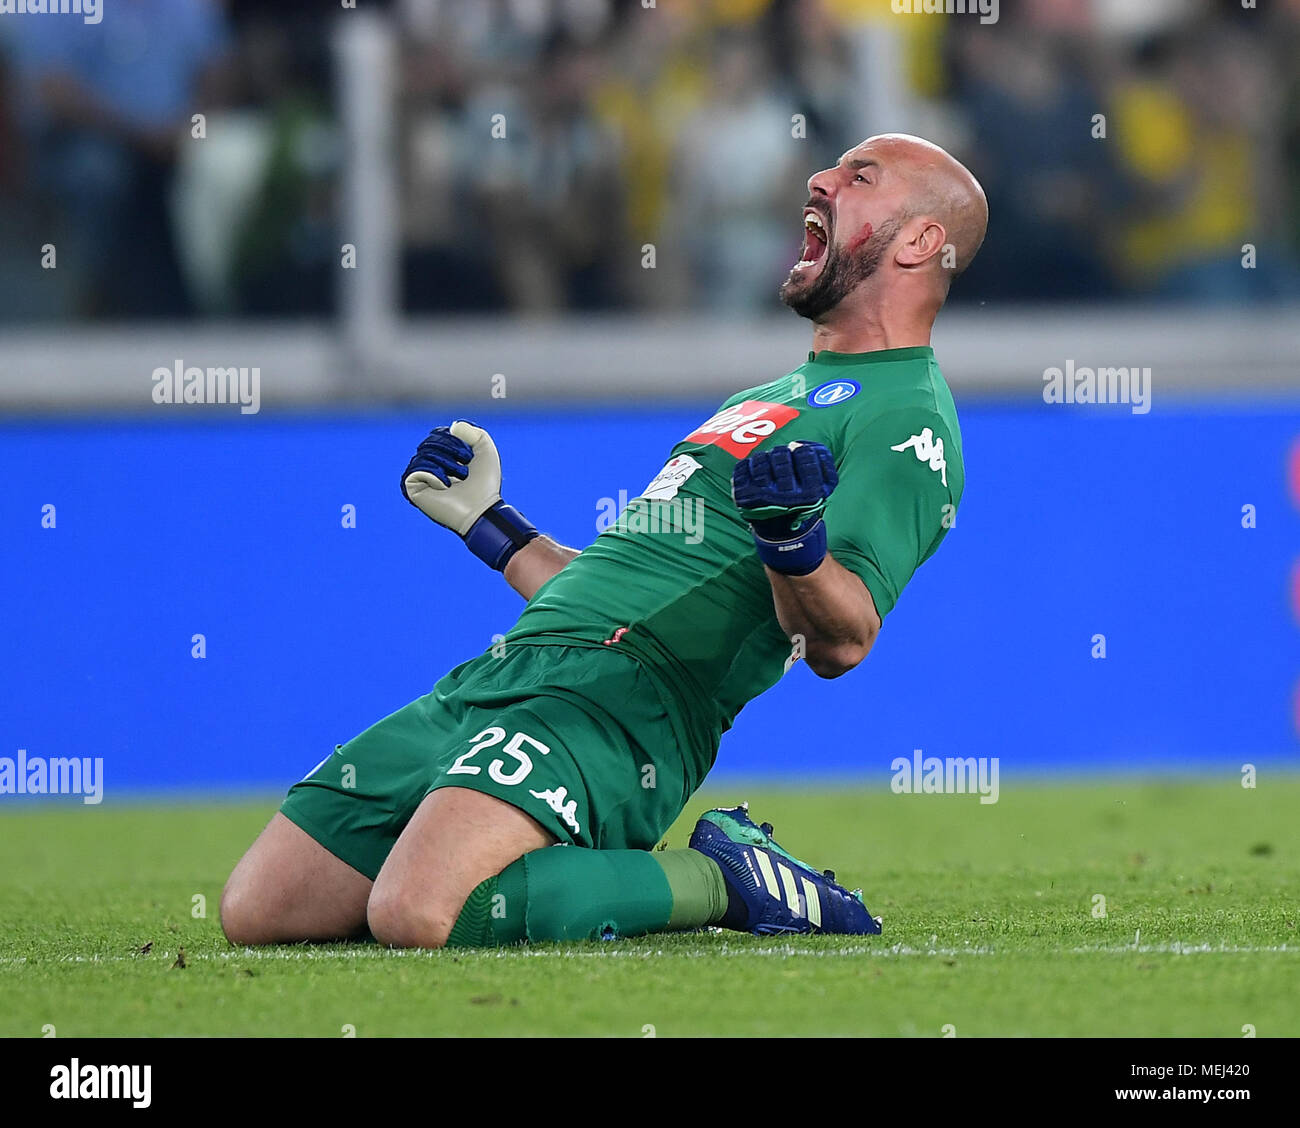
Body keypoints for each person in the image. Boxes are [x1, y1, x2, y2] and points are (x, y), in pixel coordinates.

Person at [221, 134, 988, 949]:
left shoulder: (908, 418)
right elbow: (625, 589)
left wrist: (792, 540)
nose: (821, 177)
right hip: (515, 667)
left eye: (858, 176)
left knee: (418, 913)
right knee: (261, 911)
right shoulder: (770, 396)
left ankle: (721, 878)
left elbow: (843, 638)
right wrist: (492, 525)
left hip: (627, 708)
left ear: (919, 241)